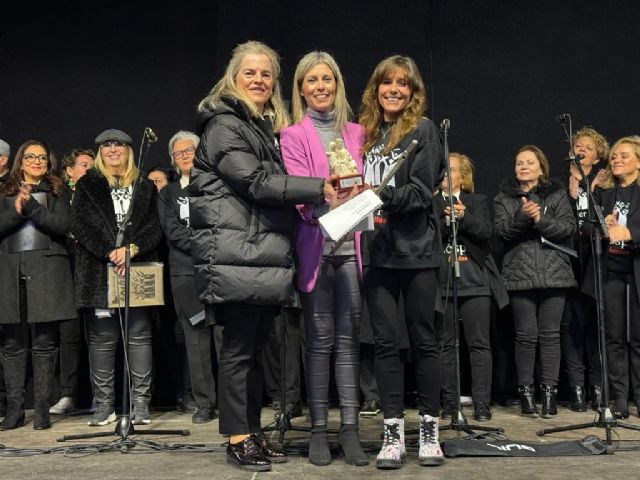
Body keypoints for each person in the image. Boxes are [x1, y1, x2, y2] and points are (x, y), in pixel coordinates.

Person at [189, 40, 344, 472]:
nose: (259, 80)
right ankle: (237, 438)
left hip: (254, 257)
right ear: (233, 78)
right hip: (235, 256)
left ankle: (251, 432)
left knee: (254, 352)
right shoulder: (224, 124)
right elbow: (255, 182)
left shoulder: (256, 125)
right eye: (250, 73)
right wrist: (317, 187)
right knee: (239, 352)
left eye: (266, 74)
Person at [280, 50, 368, 466]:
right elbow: (297, 193)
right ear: (301, 88)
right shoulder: (292, 135)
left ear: (337, 84)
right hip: (317, 246)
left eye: (326, 79)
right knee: (318, 344)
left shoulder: (357, 131)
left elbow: (367, 184)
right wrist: (323, 193)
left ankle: (349, 430)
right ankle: (318, 431)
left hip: (352, 248)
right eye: (311, 80)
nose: (320, 87)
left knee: (348, 345)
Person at [358, 55, 445, 469]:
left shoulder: (422, 131)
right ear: (376, 88)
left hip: (416, 253)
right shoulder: (364, 134)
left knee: (424, 341)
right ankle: (392, 431)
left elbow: (419, 192)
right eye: (387, 83)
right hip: (376, 254)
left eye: (403, 84)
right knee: (385, 345)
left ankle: (429, 429)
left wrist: (375, 193)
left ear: (413, 91)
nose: (394, 90)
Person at [71, 129, 162, 426]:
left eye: (119, 145)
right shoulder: (87, 184)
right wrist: (110, 251)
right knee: (102, 339)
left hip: (137, 269)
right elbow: (81, 226)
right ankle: (104, 404)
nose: (113, 149)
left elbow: (155, 227)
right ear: (100, 152)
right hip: (99, 271)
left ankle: (141, 403)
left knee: (138, 337)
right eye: (107, 145)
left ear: (128, 150)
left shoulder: (145, 186)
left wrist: (131, 249)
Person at [493, 145, 576, 418]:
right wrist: (522, 216)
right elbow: (501, 232)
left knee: (551, 336)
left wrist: (540, 218)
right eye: (519, 163)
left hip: (555, 273)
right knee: (526, 336)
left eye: (530, 162)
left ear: (541, 167)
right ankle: (526, 393)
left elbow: (568, 228)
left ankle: (549, 395)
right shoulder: (503, 198)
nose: (524, 167)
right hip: (520, 274)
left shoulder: (557, 193)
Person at [0, 140, 77, 430]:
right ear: (20, 160)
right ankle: (15, 410)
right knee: (12, 344)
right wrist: (15, 209)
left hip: (47, 273)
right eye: (30, 156)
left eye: (42, 157)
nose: (36, 161)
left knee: (45, 343)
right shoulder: (3, 190)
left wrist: (30, 205)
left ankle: (43, 409)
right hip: (9, 273)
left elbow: (62, 226)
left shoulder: (59, 191)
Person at [433, 152, 509, 422]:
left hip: (475, 283)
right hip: (442, 285)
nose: (445, 175)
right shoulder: (431, 203)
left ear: (463, 177)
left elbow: (487, 233)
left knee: (479, 344)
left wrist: (463, 217)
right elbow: (428, 237)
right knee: (446, 345)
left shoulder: (476, 201)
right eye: (442, 170)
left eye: (451, 170)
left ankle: (481, 403)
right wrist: (444, 220)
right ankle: (450, 403)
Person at [157, 130, 218, 424]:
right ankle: (205, 403)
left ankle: (235, 401)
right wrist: (203, 242)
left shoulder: (216, 186)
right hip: (184, 272)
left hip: (219, 268)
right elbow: (172, 231)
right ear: (172, 159)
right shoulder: (167, 194)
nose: (184, 156)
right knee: (196, 341)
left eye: (189, 150)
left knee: (226, 337)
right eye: (178, 153)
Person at [585, 136, 640, 419]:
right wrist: (600, 226)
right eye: (615, 156)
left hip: (636, 272)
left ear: (639, 163)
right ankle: (619, 399)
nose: (616, 159)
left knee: (638, 339)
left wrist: (630, 234)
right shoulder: (605, 195)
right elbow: (585, 230)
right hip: (612, 273)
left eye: (624, 155)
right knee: (614, 338)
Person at [562, 127, 608, 412]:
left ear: (597, 156)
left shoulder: (604, 184)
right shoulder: (558, 185)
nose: (581, 149)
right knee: (570, 328)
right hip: (568, 263)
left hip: (596, 263)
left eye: (588, 147)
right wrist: (570, 194)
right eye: (577, 145)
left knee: (595, 328)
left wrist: (591, 192)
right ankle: (576, 388)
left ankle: (598, 387)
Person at [49, 148, 95, 416]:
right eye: (83, 165)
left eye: (92, 165)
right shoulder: (60, 196)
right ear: (68, 170)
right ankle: (66, 394)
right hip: (66, 270)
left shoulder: (96, 194)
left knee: (99, 336)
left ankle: (102, 396)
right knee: (69, 335)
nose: (88, 169)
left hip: (93, 271)